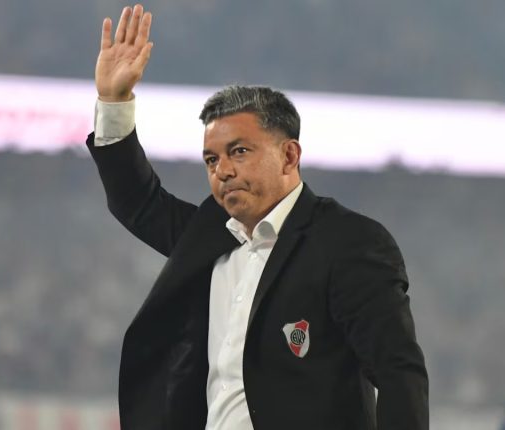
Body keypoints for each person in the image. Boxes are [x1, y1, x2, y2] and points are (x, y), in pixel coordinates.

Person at [87, 4, 428, 429]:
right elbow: (137, 202)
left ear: (289, 156)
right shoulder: (210, 236)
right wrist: (114, 101)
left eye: (239, 152)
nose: (223, 170)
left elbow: (398, 373)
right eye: (211, 159)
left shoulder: (348, 243)